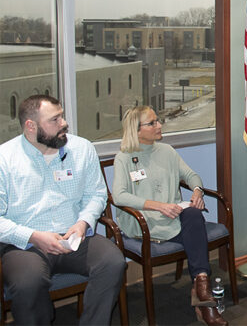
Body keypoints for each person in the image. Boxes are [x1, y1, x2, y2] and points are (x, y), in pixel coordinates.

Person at [0, 95, 126, 325]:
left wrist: (83, 223)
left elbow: (96, 194)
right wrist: (33, 236)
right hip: (26, 243)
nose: (64, 124)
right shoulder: (5, 159)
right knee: (29, 282)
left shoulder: (81, 148)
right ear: (31, 126)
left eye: (62, 116)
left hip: (74, 236)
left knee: (113, 262)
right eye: (55, 120)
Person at [112, 106, 227, 326]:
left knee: (194, 214)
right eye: (152, 123)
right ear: (136, 131)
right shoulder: (124, 158)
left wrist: (197, 192)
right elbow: (119, 196)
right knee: (195, 231)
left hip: (173, 216)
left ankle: (202, 290)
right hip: (144, 222)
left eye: (158, 121)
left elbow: (191, 175)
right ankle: (204, 296)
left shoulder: (167, 151)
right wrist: (158, 206)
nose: (159, 125)